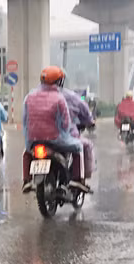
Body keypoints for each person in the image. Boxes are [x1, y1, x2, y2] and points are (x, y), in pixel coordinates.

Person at [21, 65, 85, 193]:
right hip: (55, 139)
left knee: (26, 153)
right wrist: (65, 133)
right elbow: (66, 123)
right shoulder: (59, 98)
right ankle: (77, 180)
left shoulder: (29, 96)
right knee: (78, 147)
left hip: (33, 139)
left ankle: (26, 180)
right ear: (59, 81)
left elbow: (24, 120)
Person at [60, 81, 95, 181]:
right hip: (63, 137)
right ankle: (79, 177)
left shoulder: (34, 97)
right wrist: (90, 122)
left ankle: (27, 180)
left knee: (27, 152)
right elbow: (86, 115)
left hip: (39, 138)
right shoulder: (70, 97)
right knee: (82, 147)